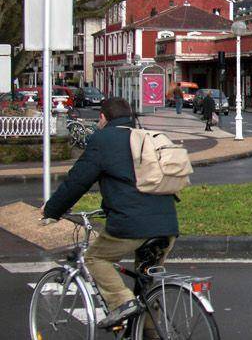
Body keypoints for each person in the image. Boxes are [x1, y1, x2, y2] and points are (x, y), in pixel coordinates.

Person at [40, 98, 178, 329]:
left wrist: (53, 209)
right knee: (145, 288)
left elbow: (77, 181)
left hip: (132, 225)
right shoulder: (145, 137)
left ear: (103, 118)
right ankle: (148, 332)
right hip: (167, 225)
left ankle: (122, 302)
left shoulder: (102, 140)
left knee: (96, 258)